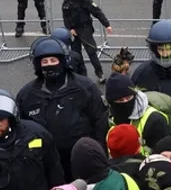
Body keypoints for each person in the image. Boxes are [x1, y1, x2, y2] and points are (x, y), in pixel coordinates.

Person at [16, 36, 108, 179]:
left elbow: (100, 123)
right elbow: (22, 131)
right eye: (44, 61)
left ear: (63, 61)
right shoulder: (27, 96)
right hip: (47, 163)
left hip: (82, 160)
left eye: (53, 60)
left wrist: (99, 153)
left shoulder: (85, 88)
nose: (49, 65)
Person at [61, 0, 111, 82]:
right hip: (74, 31)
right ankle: (81, 76)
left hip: (85, 29)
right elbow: (66, 18)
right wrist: (70, 29)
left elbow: (97, 12)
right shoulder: (66, 3)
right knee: (76, 54)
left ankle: (99, 73)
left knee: (91, 51)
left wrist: (106, 24)